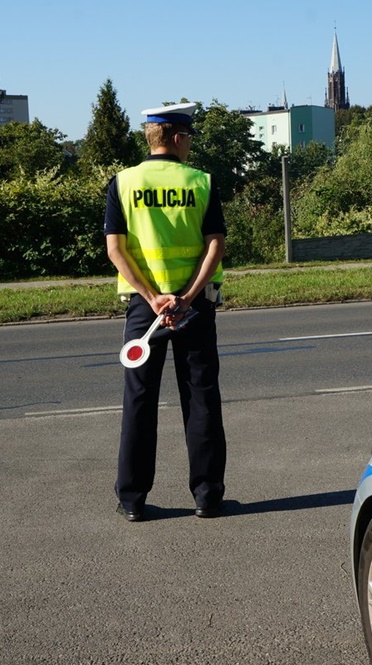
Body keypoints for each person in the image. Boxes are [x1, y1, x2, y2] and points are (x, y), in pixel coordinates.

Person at [103, 102, 228, 523]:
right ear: (176, 137)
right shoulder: (202, 182)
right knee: (201, 399)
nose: (190, 144)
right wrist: (187, 297)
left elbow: (115, 250)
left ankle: (133, 500)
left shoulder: (123, 183)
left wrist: (151, 296)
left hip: (145, 309)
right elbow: (215, 244)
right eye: (188, 137)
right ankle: (207, 496)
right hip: (193, 306)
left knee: (139, 400)